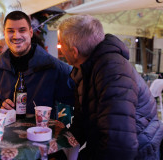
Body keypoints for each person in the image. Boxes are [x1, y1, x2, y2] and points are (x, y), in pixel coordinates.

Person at [58, 15, 163, 159]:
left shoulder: (112, 71)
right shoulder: (85, 69)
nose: (60, 48)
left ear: (74, 52)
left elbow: (119, 145)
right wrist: (58, 144)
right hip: (113, 147)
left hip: (139, 152)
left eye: (60, 44)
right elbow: (81, 122)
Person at [0, 11, 74, 118]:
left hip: (41, 132)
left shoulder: (53, 67)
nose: (16, 36)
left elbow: (78, 96)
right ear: (4, 34)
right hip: (4, 132)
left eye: (22, 30)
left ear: (31, 33)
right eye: (10, 31)